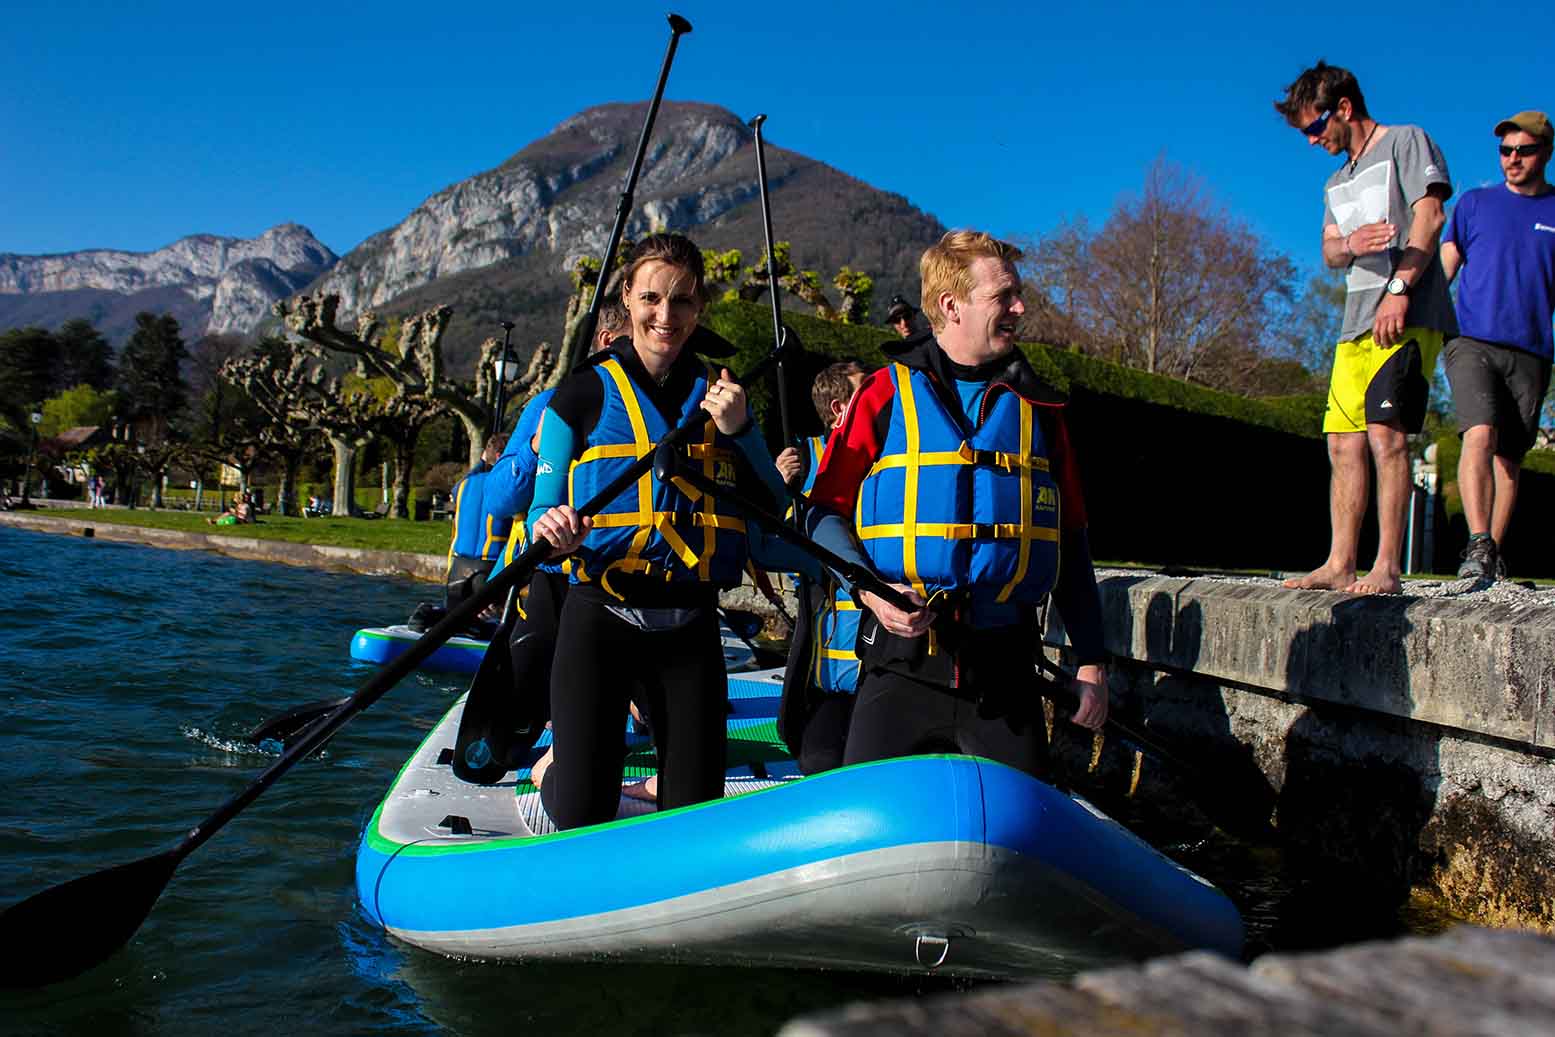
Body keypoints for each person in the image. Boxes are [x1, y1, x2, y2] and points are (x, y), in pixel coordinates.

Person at [804, 230, 1108, 780]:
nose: (1020, 308)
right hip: (900, 665)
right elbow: (823, 512)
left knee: (1020, 826)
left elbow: (1070, 540)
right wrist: (871, 592)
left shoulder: (1041, 410)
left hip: (1006, 670)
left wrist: (1091, 660)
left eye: (1018, 295)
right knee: (868, 818)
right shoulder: (882, 394)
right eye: (1004, 296)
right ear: (951, 305)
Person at [525, 232, 785, 830]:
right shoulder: (582, 391)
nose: (665, 316)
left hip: (690, 626)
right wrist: (553, 524)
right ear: (627, 298)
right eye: (651, 298)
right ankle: (552, 771)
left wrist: (743, 431)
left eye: (683, 300)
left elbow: (773, 501)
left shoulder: (723, 397)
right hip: (600, 617)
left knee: (693, 810)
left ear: (700, 307)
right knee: (582, 811)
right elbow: (543, 505)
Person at [1274, 61, 1456, 595]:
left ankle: (1387, 568)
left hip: (1405, 311)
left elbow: (1431, 217)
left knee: (1386, 435)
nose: (1312, 140)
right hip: (1354, 323)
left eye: (1315, 127)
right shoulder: (1336, 181)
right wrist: (1351, 244)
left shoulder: (1405, 142)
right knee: (1342, 443)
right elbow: (1331, 249)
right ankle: (1340, 563)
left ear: (1344, 108)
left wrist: (1399, 289)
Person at [1438, 111, 1555, 581]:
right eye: (1505, 151)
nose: (1512, 159)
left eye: (1523, 150)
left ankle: (1491, 557)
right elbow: (1445, 267)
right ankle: (1478, 541)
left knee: (1509, 457)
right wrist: (1415, 315)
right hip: (1471, 340)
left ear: (1545, 152)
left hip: (1532, 350)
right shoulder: (1474, 204)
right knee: (1479, 433)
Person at [777, 360, 872, 774]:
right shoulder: (803, 462)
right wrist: (778, 488)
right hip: (830, 658)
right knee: (819, 761)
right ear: (839, 409)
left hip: (886, 658)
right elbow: (776, 550)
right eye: (867, 393)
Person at [443, 433, 511, 609]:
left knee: (453, 620)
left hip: (459, 568)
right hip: (490, 567)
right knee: (493, 618)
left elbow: (458, 487)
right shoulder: (509, 485)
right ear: (501, 456)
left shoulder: (463, 485)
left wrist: (482, 461)